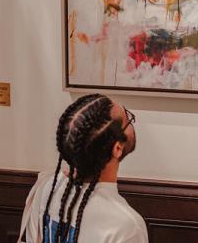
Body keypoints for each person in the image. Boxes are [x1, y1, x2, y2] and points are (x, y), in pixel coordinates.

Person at [18, 94, 147, 243]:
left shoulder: (46, 188)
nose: (132, 124)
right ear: (117, 148)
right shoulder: (126, 226)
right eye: (128, 120)